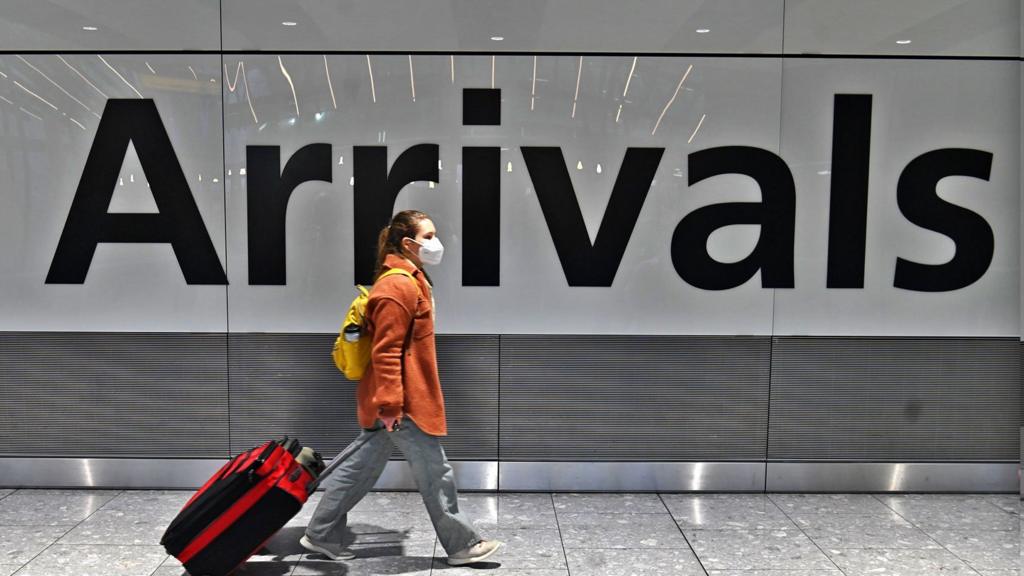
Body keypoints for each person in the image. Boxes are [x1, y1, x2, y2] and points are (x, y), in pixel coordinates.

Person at [300, 209, 503, 566]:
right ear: (408, 243)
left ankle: (321, 534)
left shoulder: (411, 279)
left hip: (391, 400)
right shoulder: (398, 286)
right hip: (400, 402)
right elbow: (386, 351)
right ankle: (462, 544)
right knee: (435, 471)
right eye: (428, 236)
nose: (435, 243)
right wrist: (392, 404)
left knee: (359, 470)